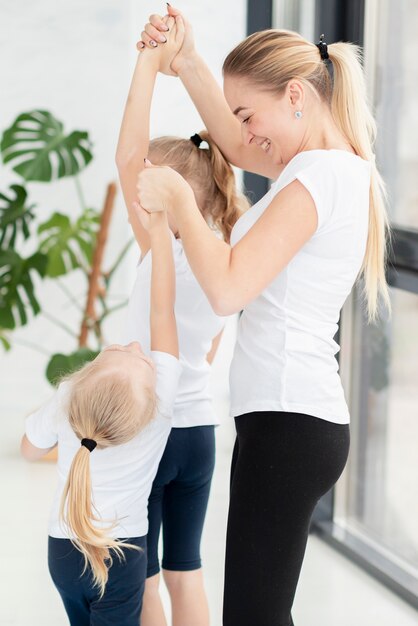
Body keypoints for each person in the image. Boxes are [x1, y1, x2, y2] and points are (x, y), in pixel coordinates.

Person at [136, 9, 390, 626]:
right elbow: (239, 141)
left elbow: (226, 288)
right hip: (290, 421)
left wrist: (176, 198)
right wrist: (188, 61)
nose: (247, 134)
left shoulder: (316, 177)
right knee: (259, 613)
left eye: (251, 113)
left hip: (289, 423)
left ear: (296, 95)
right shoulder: (325, 167)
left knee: (253, 617)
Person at [115, 16, 248, 626]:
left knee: (142, 579)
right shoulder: (222, 260)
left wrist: (147, 62)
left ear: (166, 199)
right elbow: (215, 340)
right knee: (186, 571)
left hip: (151, 429)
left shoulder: (161, 250)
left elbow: (125, 155)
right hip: (200, 433)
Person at [21, 207, 181, 626]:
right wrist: (161, 231)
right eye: (138, 356)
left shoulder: (70, 395)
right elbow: (162, 311)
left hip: (63, 549)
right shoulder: (158, 408)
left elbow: (29, 450)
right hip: (123, 553)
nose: (135, 346)